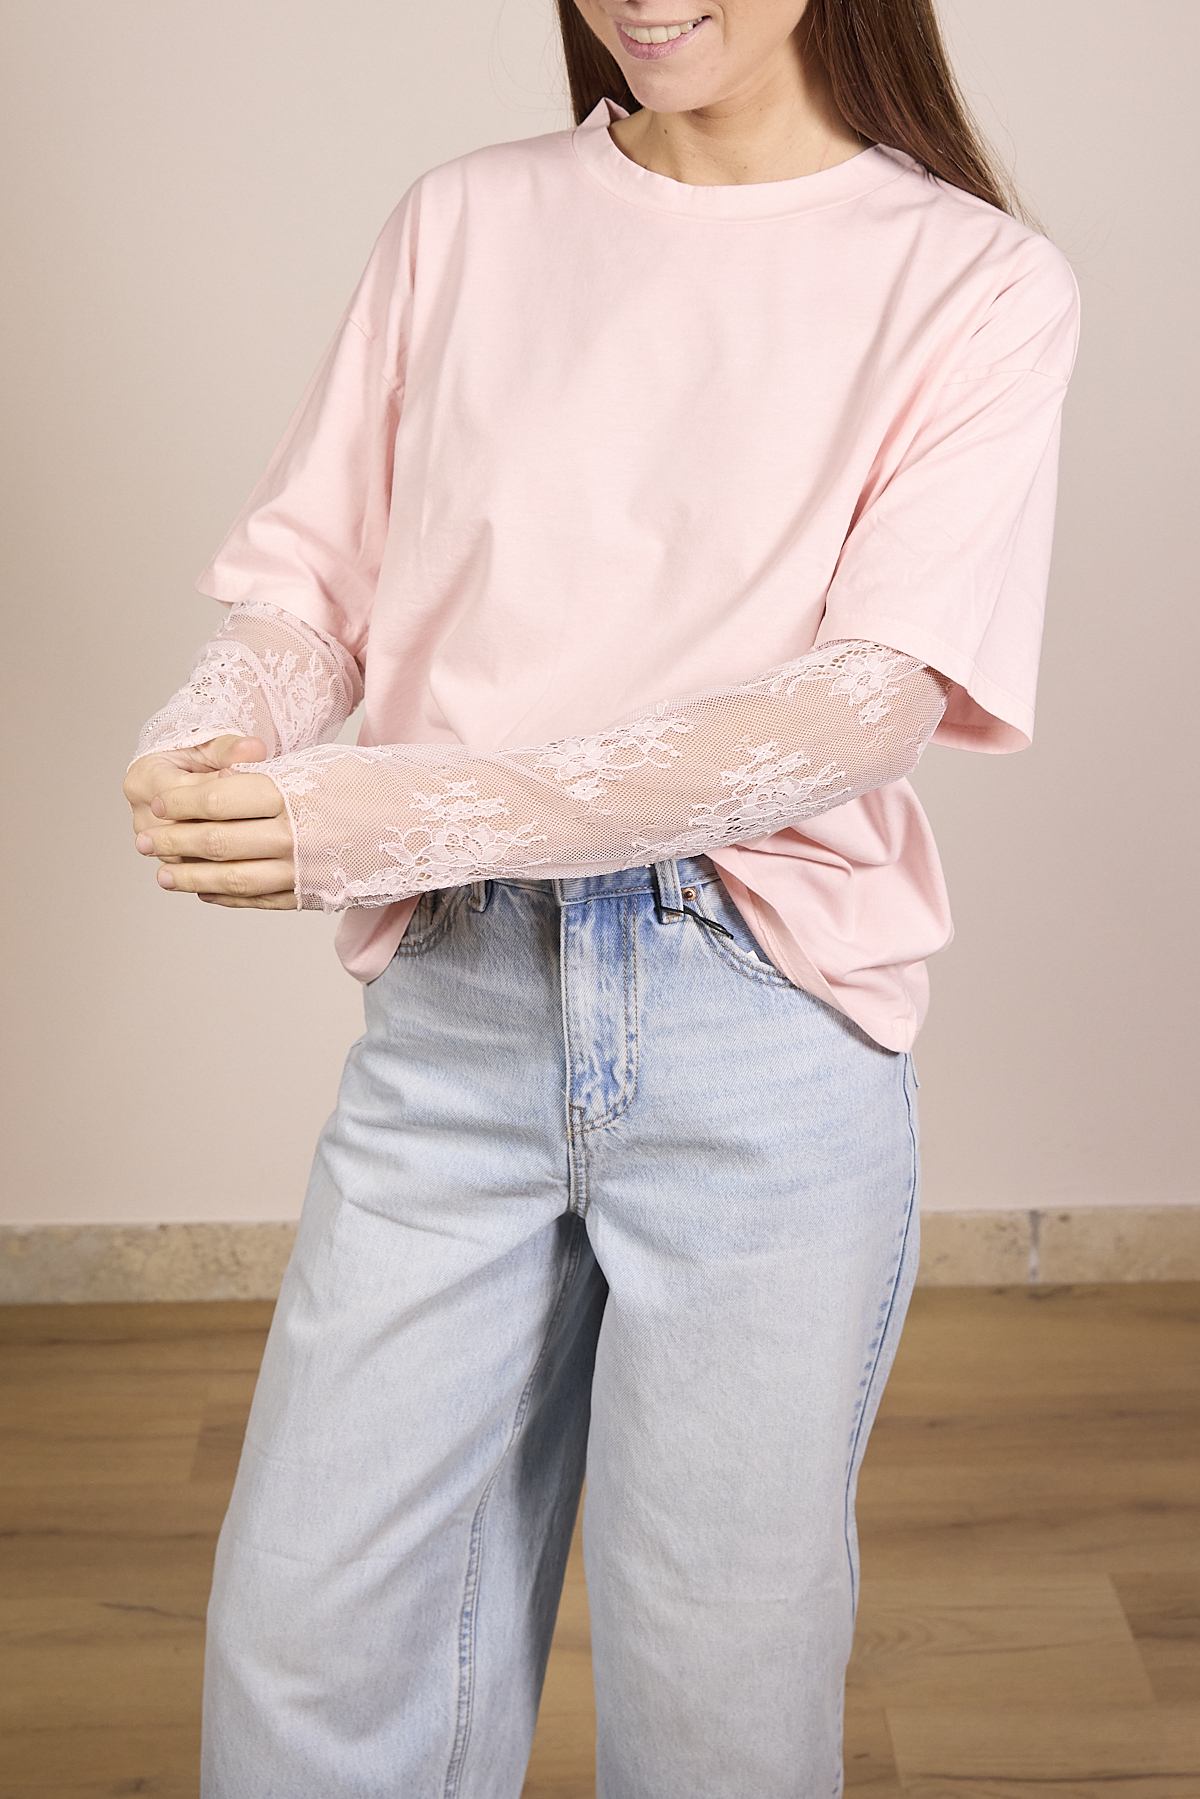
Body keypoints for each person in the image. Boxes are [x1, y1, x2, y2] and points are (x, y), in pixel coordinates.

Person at [124, 1, 1078, 1792]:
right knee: (311, 1644)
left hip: (763, 1033)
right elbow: (309, 588)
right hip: (460, 1013)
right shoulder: (465, 219)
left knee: (717, 1692)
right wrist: (217, 727)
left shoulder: (976, 280)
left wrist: (401, 812)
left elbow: (862, 705)